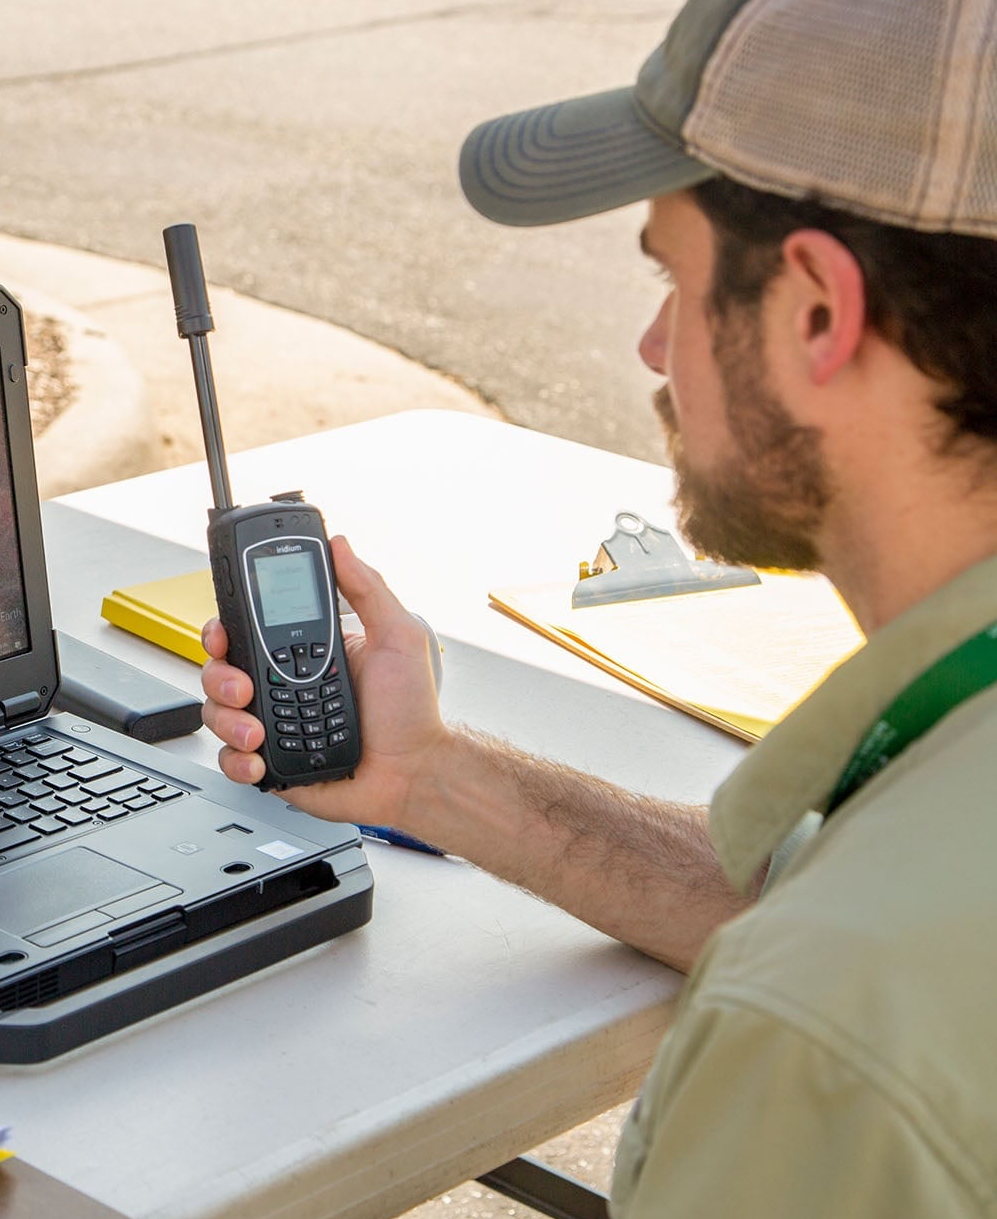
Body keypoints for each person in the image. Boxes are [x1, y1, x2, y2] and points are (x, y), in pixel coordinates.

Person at [200, 0, 997, 1213]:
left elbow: (836, 969)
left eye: (672, 278)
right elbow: (812, 886)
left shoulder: (826, 1037)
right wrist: (423, 773)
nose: (649, 346)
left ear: (816, 314)